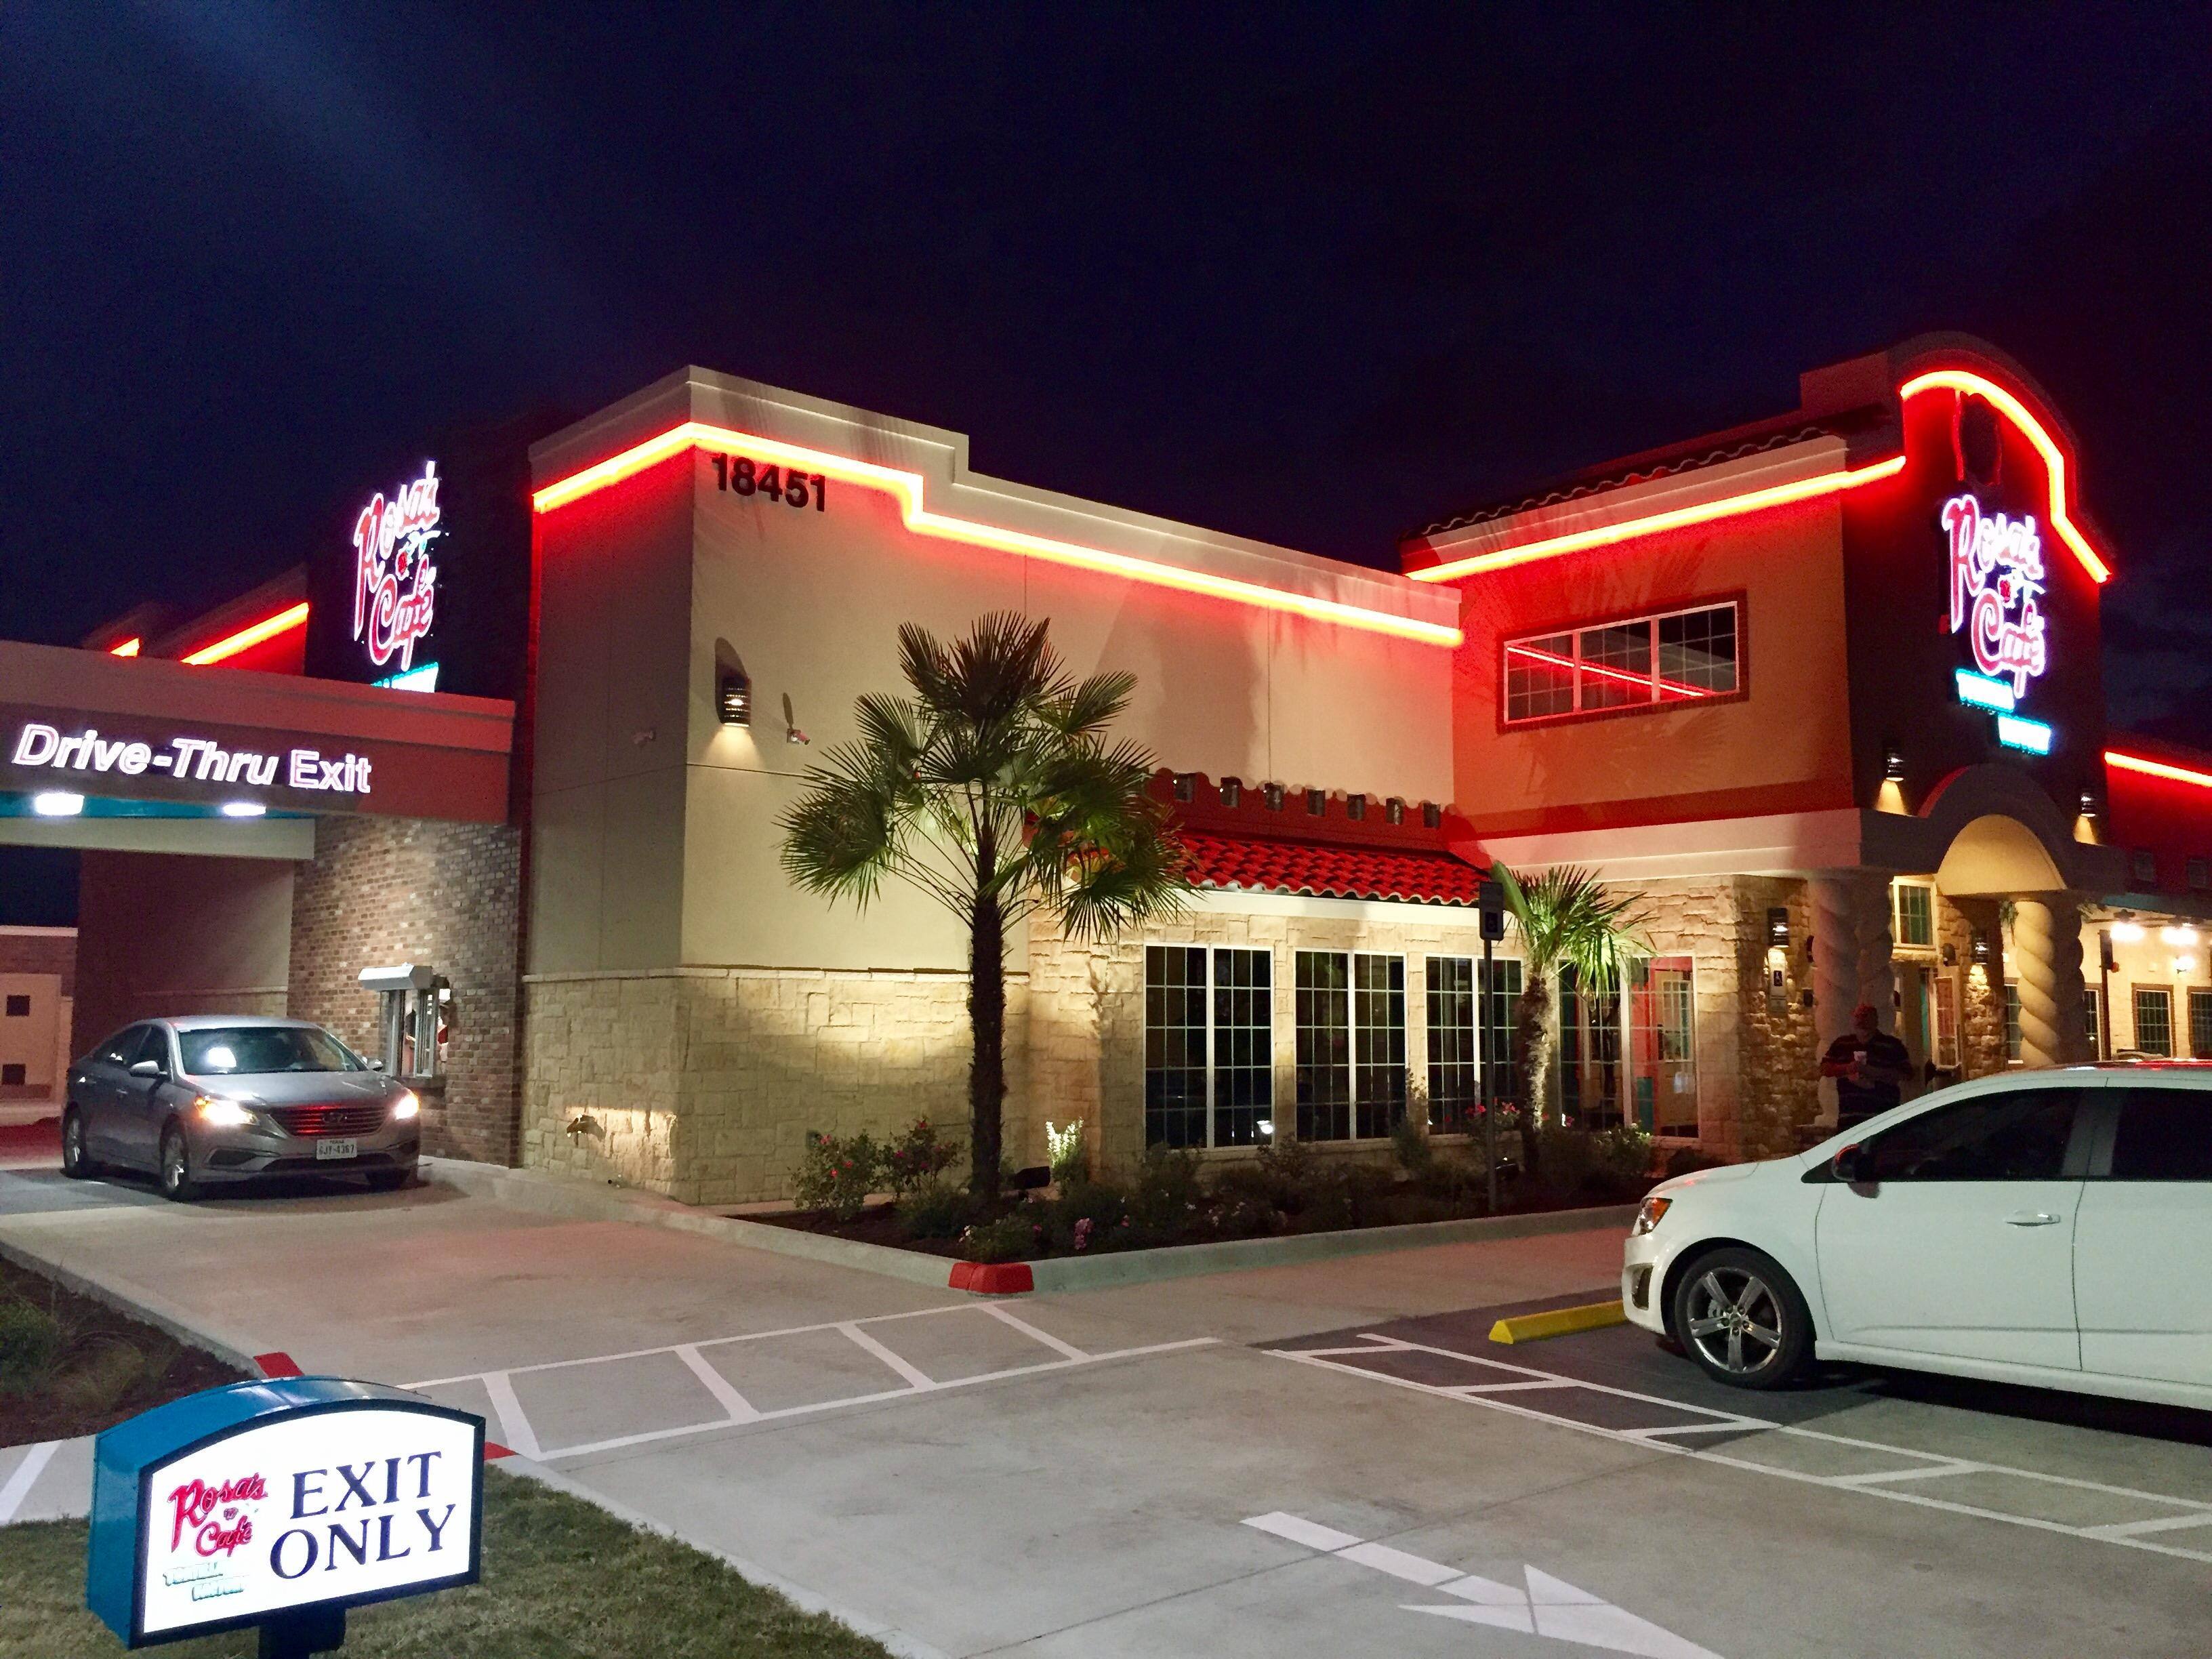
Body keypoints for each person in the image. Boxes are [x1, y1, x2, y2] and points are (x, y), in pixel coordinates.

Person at [1820, 1003, 1912, 1132]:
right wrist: (1847, 1068)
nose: (1861, 1020)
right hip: (1850, 1118)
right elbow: (1824, 1069)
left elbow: (1907, 1074)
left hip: (1883, 1117)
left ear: (1875, 1020)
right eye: (1857, 1016)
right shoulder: (1842, 1044)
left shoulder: (1892, 1045)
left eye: (1865, 1016)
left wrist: (1874, 1073)